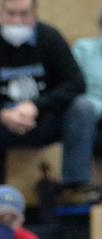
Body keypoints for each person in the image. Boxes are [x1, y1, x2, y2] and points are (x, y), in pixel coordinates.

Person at [0, 0, 96, 205]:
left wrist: (36, 106)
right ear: (1, 15)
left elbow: (75, 84)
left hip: (43, 123)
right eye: (11, 14)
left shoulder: (50, 38)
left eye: (23, 14)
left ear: (35, 15)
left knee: (82, 107)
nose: (17, 20)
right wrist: (2, 114)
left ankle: (74, 186)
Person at [72, 9, 102, 158]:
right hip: (92, 119)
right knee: (80, 107)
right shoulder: (84, 49)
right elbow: (72, 88)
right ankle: (77, 181)